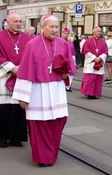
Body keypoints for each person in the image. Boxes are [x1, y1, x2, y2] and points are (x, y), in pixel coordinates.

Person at [13, 14, 77, 167]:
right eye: (51, 27)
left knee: (58, 121)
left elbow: (70, 69)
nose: (55, 30)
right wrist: (23, 97)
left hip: (56, 89)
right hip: (38, 90)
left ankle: (51, 154)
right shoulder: (32, 44)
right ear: (43, 27)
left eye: (56, 27)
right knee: (39, 125)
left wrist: (66, 74)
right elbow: (25, 70)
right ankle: (42, 157)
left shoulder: (63, 44)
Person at [0, 13, 31, 148]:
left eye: (20, 21)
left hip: (21, 76)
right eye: (15, 21)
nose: (18, 23)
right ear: (7, 22)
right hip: (3, 76)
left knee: (19, 108)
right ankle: (1, 137)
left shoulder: (27, 38)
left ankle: (16, 137)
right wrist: (12, 68)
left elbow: (31, 55)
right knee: (2, 108)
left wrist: (22, 69)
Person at [80, 26, 108, 99]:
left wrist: (100, 58)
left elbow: (105, 52)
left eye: (100, 31)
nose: (99, 33)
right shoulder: (88, 41)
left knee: (97, 80)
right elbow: (86, 51)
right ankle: (89, 93)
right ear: (94, 32)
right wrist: (94, 58)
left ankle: (95, 93)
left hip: (99, 63)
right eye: (98, 31)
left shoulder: (103, 42)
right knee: (90, 79)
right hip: (90, 63)